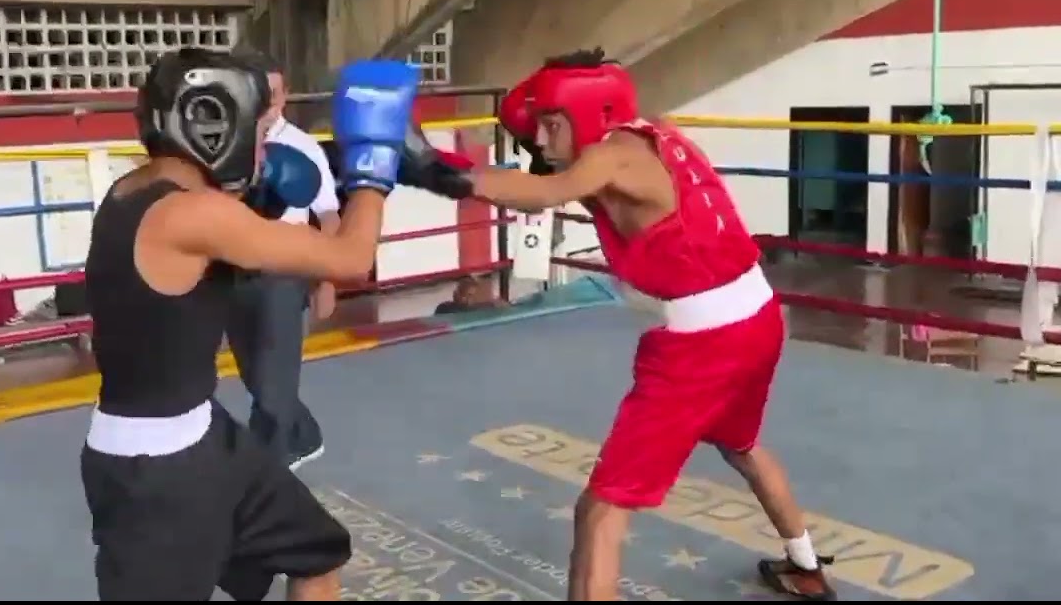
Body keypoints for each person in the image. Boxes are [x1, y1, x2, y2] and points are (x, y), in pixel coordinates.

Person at [400, 48, 837, 601]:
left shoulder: (609, 159)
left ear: (585, 118)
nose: (539, 135)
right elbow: (559, 172)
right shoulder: (651, 135)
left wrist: (432, 170)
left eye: (551, 123)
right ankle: (805, 564)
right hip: (757, 318)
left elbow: (548, 192)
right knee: (742, 446)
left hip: (707, 344)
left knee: (601, 508)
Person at [80, 47, 419, 601]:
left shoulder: (133, 190)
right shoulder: (196, 215)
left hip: (207, 438)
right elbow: (351, 259)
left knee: (317, 551)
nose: (263, 146)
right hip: (155, 473)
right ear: (214, 123)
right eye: (258, 130)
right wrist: (373, 167)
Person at [228, 49, 339, 471]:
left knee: (275, 381)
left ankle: (270, 468)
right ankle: (306, 436)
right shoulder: (233, 145)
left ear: (285, 96)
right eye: (260, 96)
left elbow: (329, 213)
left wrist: (328, 280)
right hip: (238, 271)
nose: (268, 105)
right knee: (255, 375)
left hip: (285, 273)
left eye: (274, 95)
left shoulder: (301, 146)